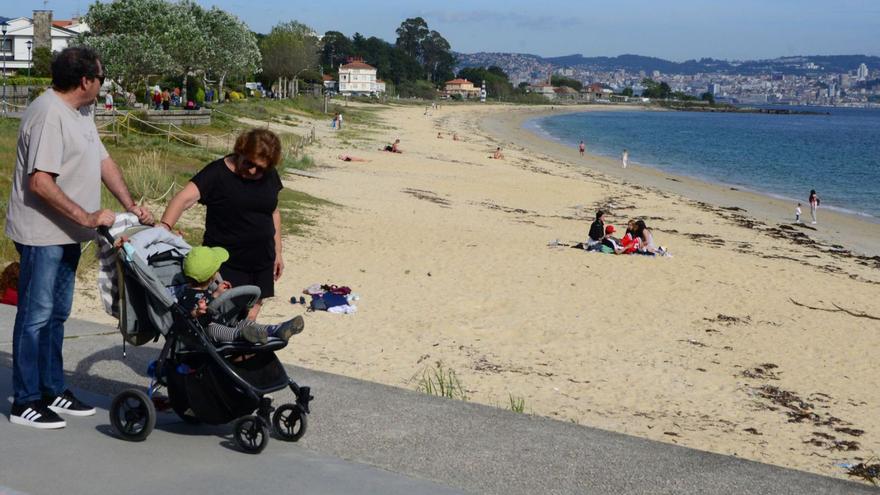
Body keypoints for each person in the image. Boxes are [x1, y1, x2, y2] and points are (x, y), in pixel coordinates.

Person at [5, 46, 154, 429]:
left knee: (57, 314)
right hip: (42, 235)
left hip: (69, 234)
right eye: (101, 78)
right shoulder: (48, 115)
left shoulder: (81, 111)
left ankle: (53, 387)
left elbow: (102, 160)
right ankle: (25, 399)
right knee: (35, 317)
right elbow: (40, 182)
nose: (103, 85)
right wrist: (87, 215)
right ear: (85, 80)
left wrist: (130, 204)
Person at [160, 129, 285, 320]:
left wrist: (278, 252)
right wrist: (164, 228)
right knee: (225, 318)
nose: (253, 171)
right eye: (249, 163)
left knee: (250, 318)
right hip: (226, 263)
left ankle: (244, 347)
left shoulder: (269, 174)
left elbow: (273, 211)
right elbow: (182, 199)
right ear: (240, 151)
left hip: (262, 261)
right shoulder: (217, 173)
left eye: (260, 168)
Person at [179, 246, 303, 344]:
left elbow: (210, 299)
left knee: (244, 323)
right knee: (215, 330)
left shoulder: (208, 290)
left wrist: (217, 293)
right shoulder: (187, 294)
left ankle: (274, 330)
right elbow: (186, 314)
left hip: (223, 321)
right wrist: (197, 312)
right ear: (213, 275)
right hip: (204, 330)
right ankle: (243, 335)